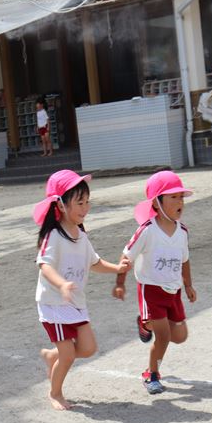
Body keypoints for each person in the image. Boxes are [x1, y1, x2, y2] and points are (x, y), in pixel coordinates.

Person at [34, 170, 131, 410]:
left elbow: (94, 263)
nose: (85, 207)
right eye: (79, 202)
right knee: (68, 355)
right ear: (61, 205)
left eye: (87, 201)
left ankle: (52, 356)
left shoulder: (81, 236)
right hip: (54, 303)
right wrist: (62, 284)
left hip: (75, 302)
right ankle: (55, 393)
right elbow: (45, 265)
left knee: (88, 348)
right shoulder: (53, 236)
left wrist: (117, 268)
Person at [112, 171, 197, 395]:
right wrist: (120, 283)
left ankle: (145, 323)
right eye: (173, 197)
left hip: (173, 291)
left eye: (181, 197)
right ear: (157, 203)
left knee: (180, 336)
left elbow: (185, 259)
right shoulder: (147, 230)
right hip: (151, 290)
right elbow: (126, 257)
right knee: (164, 336)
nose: (180, 202)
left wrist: (188, 285)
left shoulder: (182, 231)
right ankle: (151, 374)